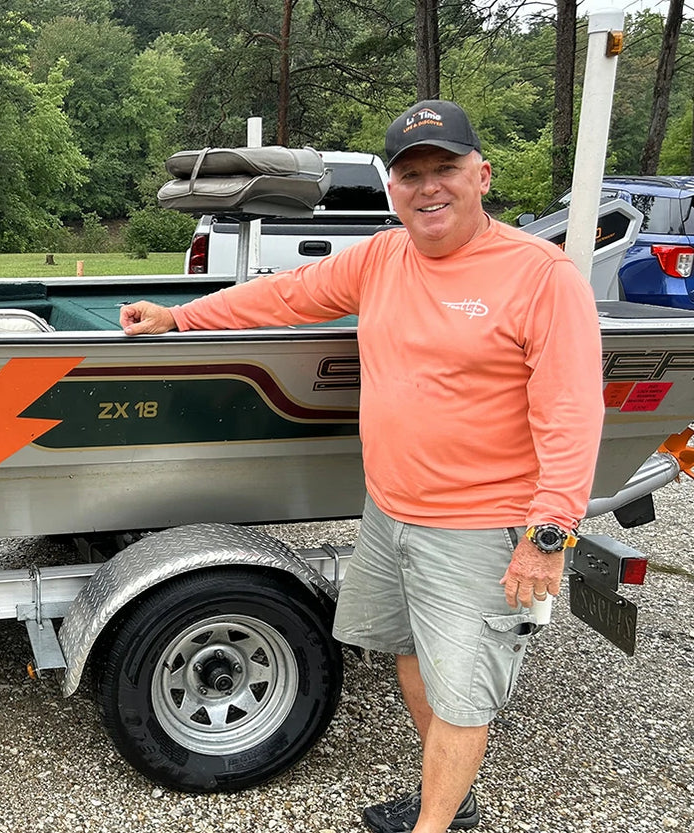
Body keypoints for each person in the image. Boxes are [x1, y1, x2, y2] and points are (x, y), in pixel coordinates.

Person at [120, 100, 604, 833]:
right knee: (408, 653)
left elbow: (571, 412)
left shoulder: (541, 275)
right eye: (411, 174)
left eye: (445, 168)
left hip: (478, 525)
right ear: (392, 188)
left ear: (481, 176)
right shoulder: (382, 257)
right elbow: (287, 295)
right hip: (390, 513)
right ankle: (451, 799)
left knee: (464, 695)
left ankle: (435, 823)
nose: (428, 187)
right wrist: (182, 316)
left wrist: (549, 534)